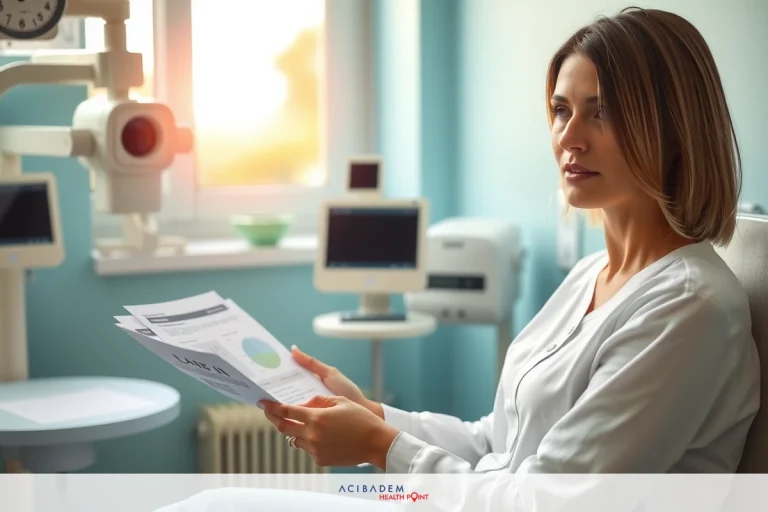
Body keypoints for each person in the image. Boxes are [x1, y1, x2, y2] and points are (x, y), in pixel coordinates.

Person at [259, 6, 760, 475]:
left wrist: (378, 446)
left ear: (674, 131)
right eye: (561, 110)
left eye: (601, 111)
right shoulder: (592, 275)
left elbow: (551, 501)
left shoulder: (689, 308)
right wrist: (374, 415)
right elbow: (499, 443)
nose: (569, 138)